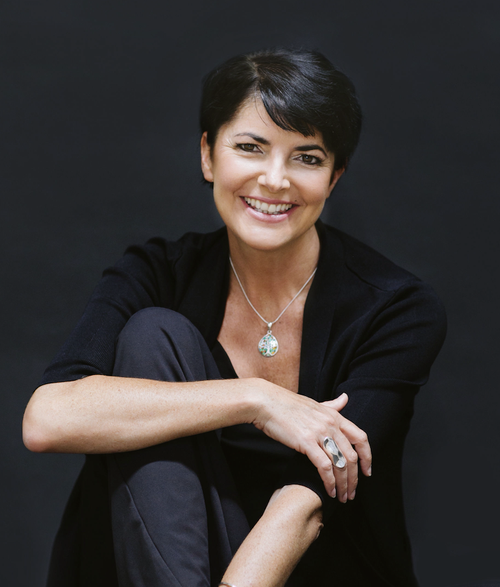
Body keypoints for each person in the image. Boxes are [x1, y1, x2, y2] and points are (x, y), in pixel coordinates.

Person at [23, 48, 446, 587]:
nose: (275, 180)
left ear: (334, 177)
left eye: (307, 157)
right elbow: (47, 419)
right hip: (151, 567)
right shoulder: (158, 273)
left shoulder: (394, 307)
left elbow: (303, 507)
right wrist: (256, 400)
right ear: (208, 155)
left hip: (303, 571)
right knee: (154, 334)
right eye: (250, 147)